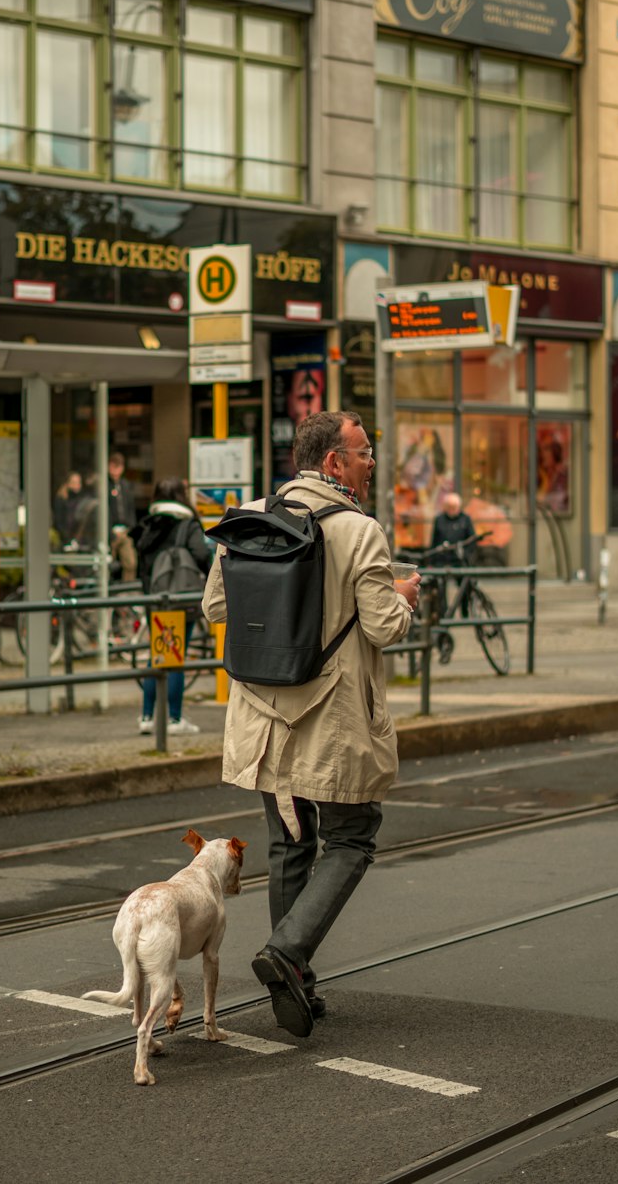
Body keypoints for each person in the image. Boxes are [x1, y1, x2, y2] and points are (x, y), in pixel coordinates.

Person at [203, 410, 419, 1037]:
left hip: (265, 716)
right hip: (331, 716)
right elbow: (383, 627)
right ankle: (289, 954)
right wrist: (403, 598)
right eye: (364, 451)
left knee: (289, 843)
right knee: (352, 836)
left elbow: (216, 605)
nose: (371, 461)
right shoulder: (359, 531)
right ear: (334, 463)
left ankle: (294, 981)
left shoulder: (248, 516)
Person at [131, 478, 211, 736]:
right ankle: (174, 719)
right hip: (179, 597)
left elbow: (142, 565)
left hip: (153, 599)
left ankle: (147, 716)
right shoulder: (186, 524)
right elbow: (201, 555)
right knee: (175, 657)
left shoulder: (149, 524)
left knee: (159, 656)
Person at [429, 491, 477, 625]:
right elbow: (434, 541)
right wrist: (432, 560)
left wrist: (466, 554)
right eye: (449, 507)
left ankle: (465, 610)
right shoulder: (439, 520)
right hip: (442, 560)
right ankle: (443, 614)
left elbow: (472, 540)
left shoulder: (465, 519)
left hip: (459, 560)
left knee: (465, 584)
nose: (452, 510)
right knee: (440, 586)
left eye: (454, 507)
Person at [108, 452, 138, 583]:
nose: (116, 470)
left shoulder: (125, 485)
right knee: (108, 564)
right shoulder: (104, 485)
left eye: (118, 467)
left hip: (125, 531)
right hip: (110, 531)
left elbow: (130, 507)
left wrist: (131, 527)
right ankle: (105, 592)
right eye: (113, 466)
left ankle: (126, 592)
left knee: (130, 563)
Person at [52, 471, 83, 545]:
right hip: (65, 540)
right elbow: (59, 522)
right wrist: (67, 539)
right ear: (67, 483)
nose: (77, 485)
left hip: (79, 540)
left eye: (79, 482)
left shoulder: (81, 500)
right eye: (74, 482)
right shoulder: (61, 500)